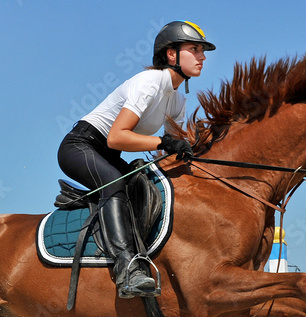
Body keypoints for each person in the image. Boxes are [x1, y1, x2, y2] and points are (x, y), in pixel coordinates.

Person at [57, 21, 215, 298]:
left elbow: (170, 150)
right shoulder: (149, 83)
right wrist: (166, 142)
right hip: (80, 147)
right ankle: (127, 271)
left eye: (202, 51)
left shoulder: (177, 100)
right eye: (195, 49)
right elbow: (117, 138)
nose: (202, 57)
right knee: (114, 184)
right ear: (171, 55)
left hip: (104, 154)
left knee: (147, 188)